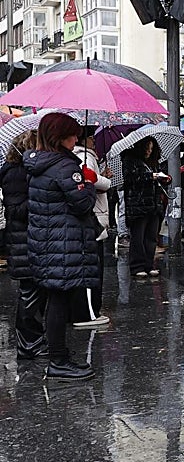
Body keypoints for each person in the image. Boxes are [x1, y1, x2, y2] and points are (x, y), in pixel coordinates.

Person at [24, 113, 99, 382]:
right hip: (63, 244)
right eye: (72, 133)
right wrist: (88, 184)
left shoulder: (38, 164)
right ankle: (58, 360)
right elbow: (82, 204)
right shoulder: (65, 167)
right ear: (60, 137)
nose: (76, 138)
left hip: (47, 243)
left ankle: (59, 356)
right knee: (59, 300)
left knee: (55, 298)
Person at [1, 132, 46, 359]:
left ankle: (34, 340)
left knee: (35, 292)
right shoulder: (15, 173)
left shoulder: (25, 171)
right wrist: (40, 194)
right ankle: (29, 344)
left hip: (29, 238)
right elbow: (16, 209)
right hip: (23, 240)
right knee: (29, 293)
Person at [72, 129, 111, 327]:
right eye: (90, 137)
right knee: (93, 267)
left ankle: (90, 309)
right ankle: (89, 312)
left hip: (92, 216)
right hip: (94, 217)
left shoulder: (78, 155)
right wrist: (104, 180)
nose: (93, 141)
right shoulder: (84, 156)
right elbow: (93, 184)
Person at [122, 138, 164, 277]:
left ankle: (149, 264)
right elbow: (130, 179)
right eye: (147, 148)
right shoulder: (130, 160)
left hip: (153, 204)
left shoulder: (152, 162)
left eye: (151, 149)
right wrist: (149, 176)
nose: (149, 152)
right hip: (138, 204)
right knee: (138, 237)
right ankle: (137, 266)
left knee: (151, 237)